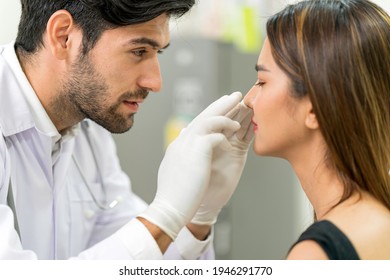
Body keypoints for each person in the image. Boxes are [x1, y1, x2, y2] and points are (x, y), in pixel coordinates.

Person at [0, 0, 254, 259]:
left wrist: (196, 219)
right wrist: (165, 216)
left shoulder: (89, 132)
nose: (155, 82)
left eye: (158, 53)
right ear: (64, 36)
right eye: (139, 51)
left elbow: (135, 258)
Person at [243, 0, 390, 259]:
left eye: (262, 81)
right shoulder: (379, 215)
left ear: (314, 108)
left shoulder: (317, 253)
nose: (248, 99)